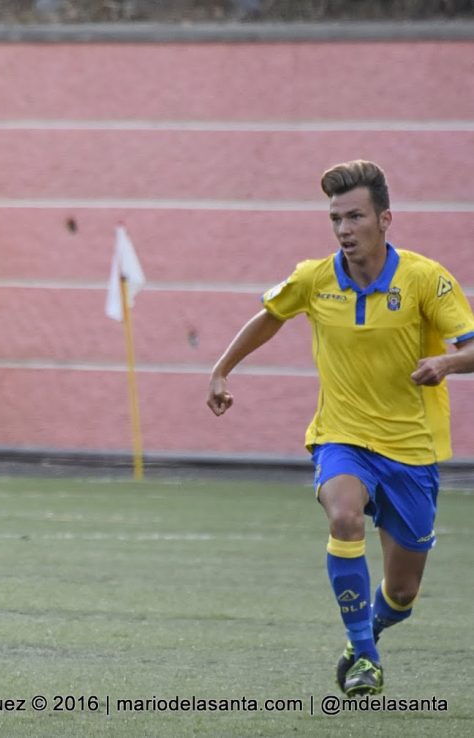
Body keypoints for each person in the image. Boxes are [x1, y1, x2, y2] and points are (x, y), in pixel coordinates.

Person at [206, 160, 474, 697]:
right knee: (345, 517)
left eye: (355, 217)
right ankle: (365, 657)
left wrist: (445, 363)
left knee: (402, 593)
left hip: (411, 449)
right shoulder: (315, 278)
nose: (344, 229)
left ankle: (366, 635)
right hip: (341, 437)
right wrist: (221, 369)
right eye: (336, 218)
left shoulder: (425, 279)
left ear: (385, 219)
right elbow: (271, 315)